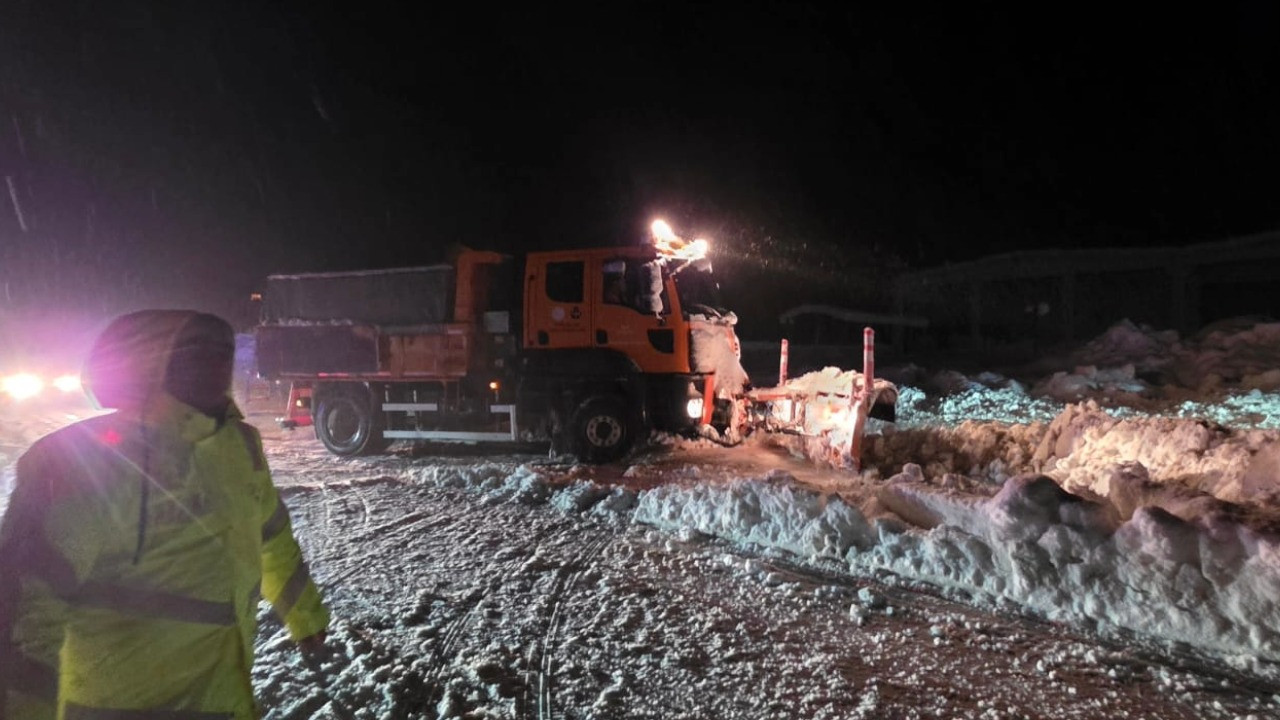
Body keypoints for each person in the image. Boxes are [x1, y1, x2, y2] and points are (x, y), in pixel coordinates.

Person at [0, 310, 329, 720]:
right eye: (195, 354)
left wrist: (306, 615)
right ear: (149, 364)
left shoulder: (240, 445)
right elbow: (22, 612)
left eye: (222, 353)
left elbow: (273, 537)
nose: (217, 365)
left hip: (225, 702)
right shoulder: (78, 461)